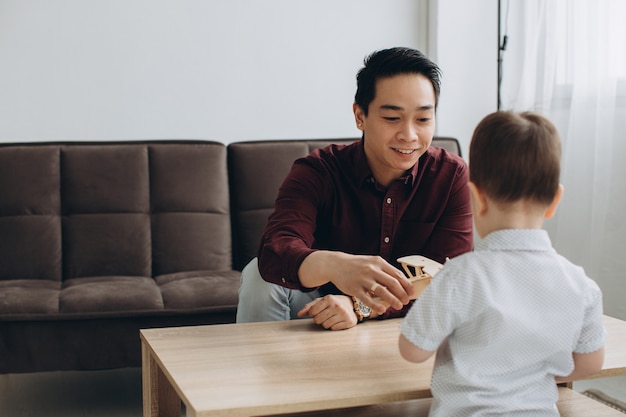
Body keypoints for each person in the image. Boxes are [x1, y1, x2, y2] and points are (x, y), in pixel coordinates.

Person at [236, 47, 474, 330]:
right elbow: (275, 251)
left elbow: (450, 280)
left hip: (399, 319)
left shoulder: (450, 175)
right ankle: (259, 372)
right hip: (316, 308)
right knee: (257, 275)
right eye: (392, 118)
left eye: (423, 119)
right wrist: (334, 266)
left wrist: (360, 306)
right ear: (360, 116)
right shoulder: (317, 170)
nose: (409, 135)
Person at [398, 111, 607, 416]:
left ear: (476, 198)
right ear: (555, 201)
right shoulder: (581, 285)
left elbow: (413, 350)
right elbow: (590, 363)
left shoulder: (459, 276)